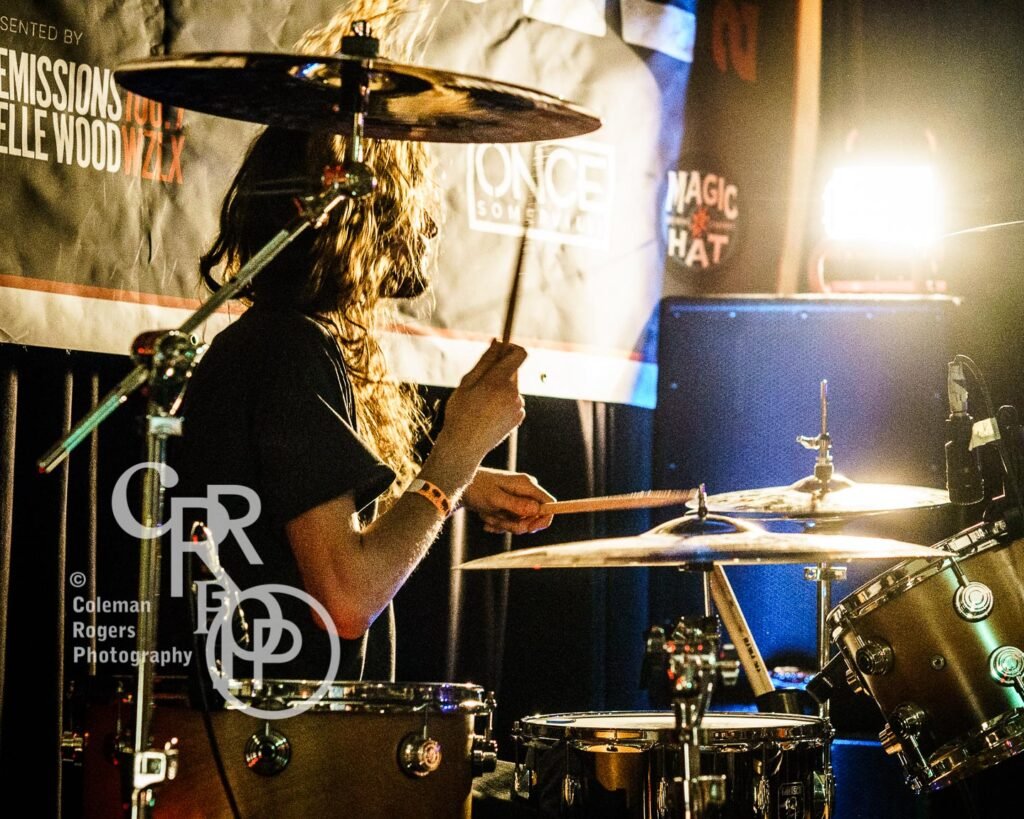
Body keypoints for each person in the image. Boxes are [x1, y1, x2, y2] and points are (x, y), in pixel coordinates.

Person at [175, 118, 554, 682]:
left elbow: (286, 516)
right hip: (274, 728)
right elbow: (345, 600)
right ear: (360, 214)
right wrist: (458, 452)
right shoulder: (289, 349)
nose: (429, 223)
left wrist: (464, 485)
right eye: (413, 196)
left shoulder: (277, 341)